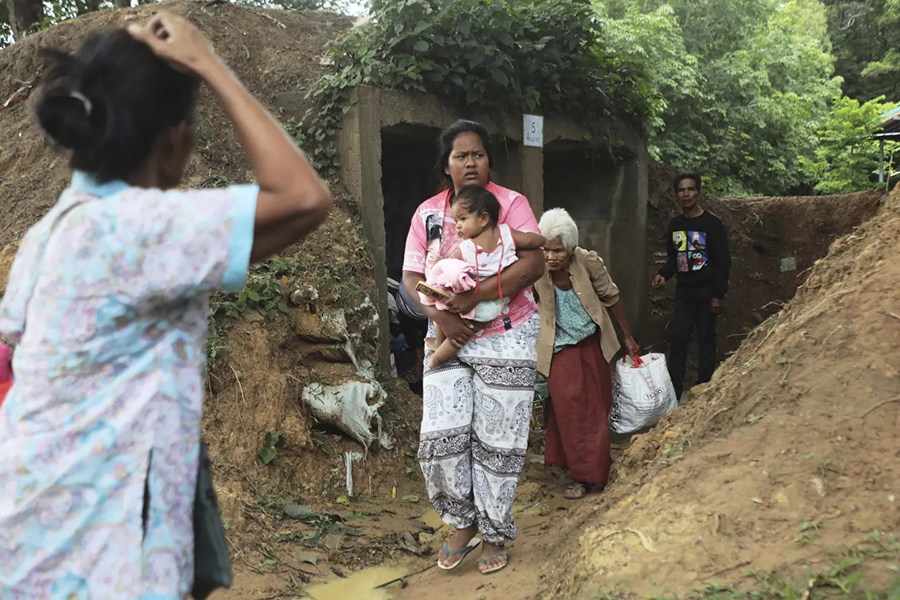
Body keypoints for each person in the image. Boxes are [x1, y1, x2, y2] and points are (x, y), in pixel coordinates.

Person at [0, 13, 331, 597]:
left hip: (30, 528)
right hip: (105, 549)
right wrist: (209, 64)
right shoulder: (141, 226)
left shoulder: (46, 236)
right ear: (174, 137)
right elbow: (304, 198)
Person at [402, 120, 544, 575]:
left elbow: (535, 262)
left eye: (478, 154)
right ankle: (463, 523)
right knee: (441, 438)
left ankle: (495, 530)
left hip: (508, 332)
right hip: (446, 337)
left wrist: (474, 298)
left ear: (489, 161)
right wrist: (443, 317)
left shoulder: (511, 204)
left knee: (498, 439)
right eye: (460, 155)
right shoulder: (427, 214)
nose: (470, 162)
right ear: (446, 165)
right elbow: (409, 277)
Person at [534, 208, 638, 500]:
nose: (551, 257)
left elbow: (612, 297)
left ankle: (596, 471)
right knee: (570, 414)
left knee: (595, 412)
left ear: (569, 248)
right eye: (546, 249)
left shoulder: (588, 263)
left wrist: (627, 337)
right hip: (560, 353)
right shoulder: (535, 270)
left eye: (557, 250)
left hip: (593, 347)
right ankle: (581, 476)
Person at [420, 185, 545, 368]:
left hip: (471, 299)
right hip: (495, 303)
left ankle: (438, 354)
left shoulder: (466, 248)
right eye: (456, 221)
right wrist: (544, 240)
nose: (458, 226)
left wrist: (440, 263)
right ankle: (440, 353)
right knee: (469, 330)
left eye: (462, 219)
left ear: (484, 218)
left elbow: (447, 266)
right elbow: (531, 240)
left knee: (449, 319)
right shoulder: (507, 234)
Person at [652, 172, 731, 399]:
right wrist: (663, 275)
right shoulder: (675, 225)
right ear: (676, 194)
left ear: (698, 193)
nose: (686, 194)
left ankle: (703, 388)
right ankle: (674, 392)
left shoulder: (712, 224)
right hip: (684, 291)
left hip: (707, 290)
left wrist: (718, 294)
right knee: (678, 338)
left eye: (690, 189)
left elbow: (722, 262)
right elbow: (674, 259)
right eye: (681, 190)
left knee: (706, 337)